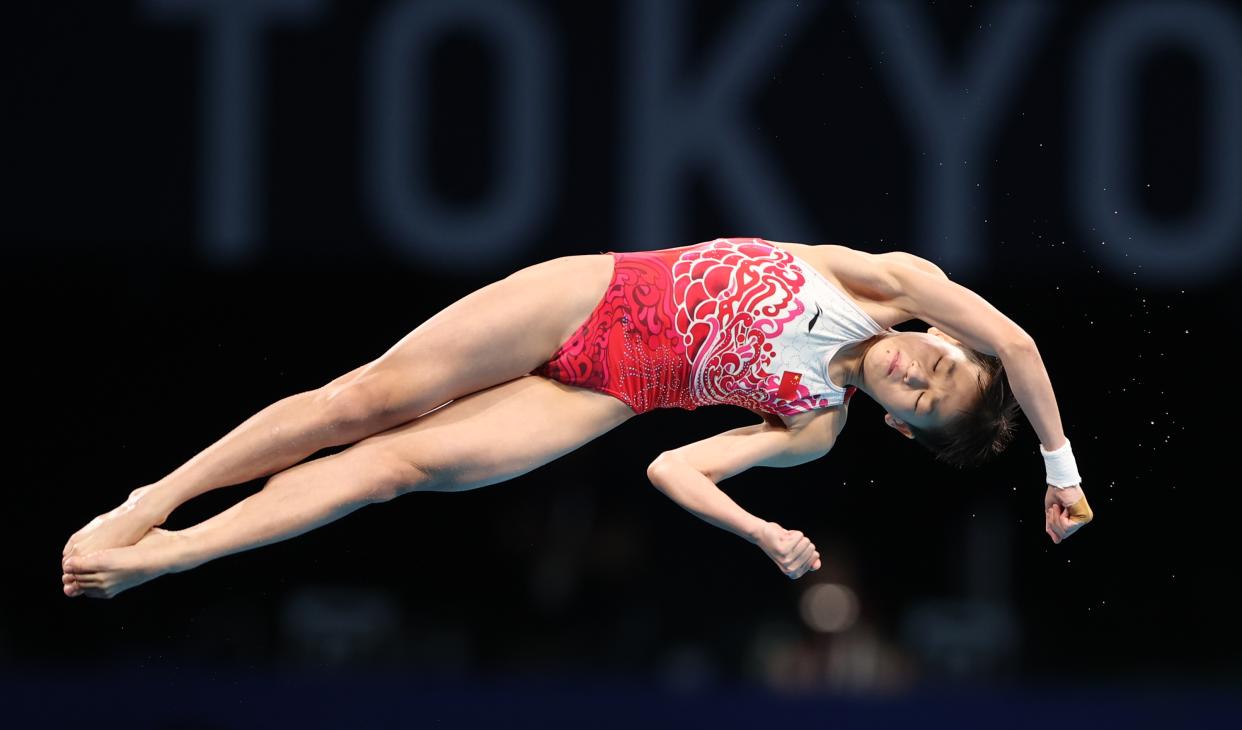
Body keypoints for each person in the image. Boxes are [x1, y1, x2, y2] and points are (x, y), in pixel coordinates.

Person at [61, 236, 1092, 599]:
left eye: (919, 394)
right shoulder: (881, 282)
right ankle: (161, 494)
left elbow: (675, 473)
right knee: (362, 400)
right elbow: (1023, 346)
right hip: (588, 296)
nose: (915, 368)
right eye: (939, 361)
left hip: (604, 393)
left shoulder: (814, 422)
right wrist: (1059, 472)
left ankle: (174, 555)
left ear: (900, 427)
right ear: (945, 334)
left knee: (394, 469)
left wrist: (761, 532)